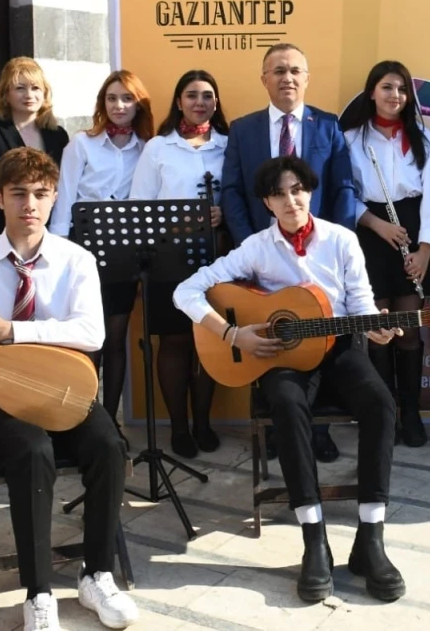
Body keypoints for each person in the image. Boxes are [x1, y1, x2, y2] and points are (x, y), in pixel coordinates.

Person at [173, 156, 405, 604]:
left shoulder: (341, 239)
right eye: (279, 193)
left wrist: (375, 323)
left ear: (310, 191)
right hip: (280, 359)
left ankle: (370, 537)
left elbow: (358, 302)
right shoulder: (256, 247)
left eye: (297, 189)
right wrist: (232, 332)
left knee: (380, 402)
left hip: (338, 350)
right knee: (286, 404)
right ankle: (313, 537)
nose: (291, 199)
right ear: (267, 202)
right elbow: (185, 291)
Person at [0, 147, 137, 631]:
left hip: (63, 390)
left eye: (41, 194)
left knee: (109, 446)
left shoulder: (76, 260)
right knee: (33, 453)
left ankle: (96, 574)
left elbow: (92, 333)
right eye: (19, 194)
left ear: (54, 200)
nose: (30, 204)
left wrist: (10, 332)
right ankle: (39, 593)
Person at [221, 42, 358, 463]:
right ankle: (280, 429)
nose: (287, 78)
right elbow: (231, 191)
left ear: (307, 77)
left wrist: (330, 245)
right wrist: (254, 246)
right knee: (272, 341)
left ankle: (319, 432)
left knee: (317, 342)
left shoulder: (328, 126)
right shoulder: (243, 130)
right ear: (264, 79)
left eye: (295, 70)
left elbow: (343, 189)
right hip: (263, 263)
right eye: (278, 71)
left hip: (318, 260)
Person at [340, 60, 430, 447]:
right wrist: (373, 223)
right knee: (378, 329)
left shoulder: (422, 138)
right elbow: (344, 193)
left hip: (412, 232)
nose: (394, 96)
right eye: (386, 87)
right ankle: (383, 413)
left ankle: (411, 413)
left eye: (401, 89)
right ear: (371, 92)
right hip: (370, 233)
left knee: (409, 331)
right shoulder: (351, 138)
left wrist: (425, 250)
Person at [129, 69, 229, 459]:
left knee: (210, 340)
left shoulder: (227, 144)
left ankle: (203, 421)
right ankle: (178, 427)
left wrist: (224, 216)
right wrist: (175, 221)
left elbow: (239, 195)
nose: (199, 101)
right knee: (174, 341)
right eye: (192, 95)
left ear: (216, 103)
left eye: (207, 95)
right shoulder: (158, 147)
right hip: (168, 256)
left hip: (217, 256)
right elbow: (140, 205)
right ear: (178, 101)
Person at [49, 71, 153, 419]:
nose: (119, 105)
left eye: (126, 98)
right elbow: (64, 198)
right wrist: (58, 249)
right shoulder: (82, 143)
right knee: (88, 336)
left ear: (139, 104)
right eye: (112, 98)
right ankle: (84, 418)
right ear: (102, 103)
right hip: (84, 248)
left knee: (117, 334)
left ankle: (110, 421)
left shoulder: (148, 147)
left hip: (124, 249)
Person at [0, 57, 69, 248]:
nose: (29, 95)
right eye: (20, 88)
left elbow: (63, 186)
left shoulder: (57, 135)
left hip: (45, 233)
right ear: (6, 94)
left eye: (35, 88)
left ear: (45, 93)